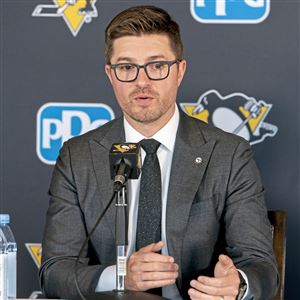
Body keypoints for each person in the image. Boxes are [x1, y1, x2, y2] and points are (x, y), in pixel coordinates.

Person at [39, 5, 278, 300]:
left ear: (179, 71)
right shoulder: (78, 157)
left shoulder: (229, 155)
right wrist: (121, 275)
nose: (142, 81)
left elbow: (262, 267)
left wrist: (237, 284)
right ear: (110, 75)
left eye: (157, 66)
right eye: (126, 67)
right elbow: (55, 272)